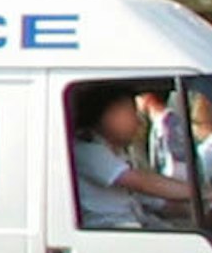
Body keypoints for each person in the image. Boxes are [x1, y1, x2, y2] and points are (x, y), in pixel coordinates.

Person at [73, 87, 198, 232]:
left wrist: (197, 210)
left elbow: (153, 201)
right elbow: (143, 183)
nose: (138, 121)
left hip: (135, 227)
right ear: (109, 115)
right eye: (131, 113)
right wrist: (204, 193)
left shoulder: (119, 152)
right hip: (112, 233)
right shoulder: (87, 150)